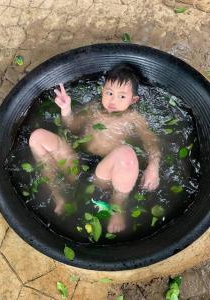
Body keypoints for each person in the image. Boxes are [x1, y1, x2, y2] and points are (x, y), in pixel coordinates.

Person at [29, 63, 161, 233]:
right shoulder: (93, 108)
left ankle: (116, 207)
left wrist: (153, 166)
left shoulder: (134, 118)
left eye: (122, 96)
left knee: (127, 154)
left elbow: (151, 141)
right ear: (102, 91)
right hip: (77, 161)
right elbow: (73, 127)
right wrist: (66, 110)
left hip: (105, 174)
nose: (113, 100)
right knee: (37, 137)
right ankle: (58, 195)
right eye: (109, 93)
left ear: (133, 100)